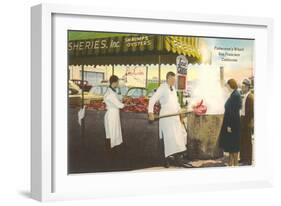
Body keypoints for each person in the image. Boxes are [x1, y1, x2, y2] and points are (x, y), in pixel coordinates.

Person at [148, 71, 190, 168]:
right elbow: (152, 99)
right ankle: (165, 160)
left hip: (174, 117)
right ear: (167, 79)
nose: (173, 82)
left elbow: (176, 103)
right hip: (166, 118)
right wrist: (150, 112)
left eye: (174, 80)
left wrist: (180, 110)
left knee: (177, 138)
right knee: (168, 139)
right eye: (171, 80)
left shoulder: (173, 89)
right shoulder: (162, 88)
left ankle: (177, 159)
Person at [219, 79, 242, 166]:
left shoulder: (235, 95)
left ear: (230, 85)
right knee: (232, 146)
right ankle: (231, 163)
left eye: (227, 86)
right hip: (233, 124)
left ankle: (234, 165)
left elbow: (233, 113)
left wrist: (229, 125)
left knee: (234, 146)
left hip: (233, 125)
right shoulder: (234, 94)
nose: (226, 87)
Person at [104, 75, 125, 149]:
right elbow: (119, 105)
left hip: (114, 113)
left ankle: (113, 146)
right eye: (118, 82)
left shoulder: (113, 90)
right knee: (112, 132)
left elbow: (119, 98)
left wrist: (121, 96)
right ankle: (111, 149)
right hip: (112, 114)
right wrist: (125, 104)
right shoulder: (110, 93)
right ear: (114, 82)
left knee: (114, 131)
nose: (118, 84)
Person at [240, 79, 254, 165]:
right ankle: (243, 158)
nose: (242, 88)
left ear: (248, 87)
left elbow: (251, 112)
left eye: (244, 87)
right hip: (243, 121)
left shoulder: (250, 97)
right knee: (242, 141)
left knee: (248, 142)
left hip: (247, 122)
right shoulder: (244, 96)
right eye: (242, 86)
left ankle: (248, 160)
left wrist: (249, 122)